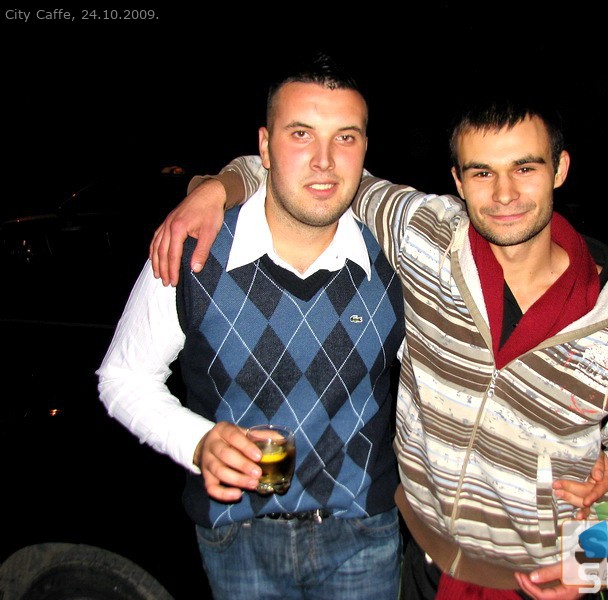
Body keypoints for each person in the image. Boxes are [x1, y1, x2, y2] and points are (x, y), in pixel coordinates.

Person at [151, 91, 608, 598]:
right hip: (418, 565)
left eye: (525, 168)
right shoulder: (423, 236)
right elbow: (317, 173)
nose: (504, 194)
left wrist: (596, 559)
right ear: (458, 182)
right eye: (482, 173)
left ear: (560, 169)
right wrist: (217, 187)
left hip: (537, 584)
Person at [96, 54, 410, 599]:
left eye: (345, 138)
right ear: (264, 147)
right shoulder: (194, 252)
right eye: (301, 134)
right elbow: (123, 376)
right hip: (235, 537)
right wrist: (197, 442)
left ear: (365, 149)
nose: (324, 161)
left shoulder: (396, 260)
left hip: (364, 533)